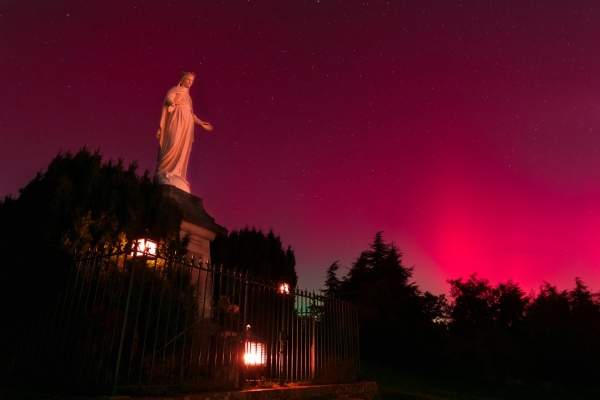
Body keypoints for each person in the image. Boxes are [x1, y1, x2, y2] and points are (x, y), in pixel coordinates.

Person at [155, 71, 213, 193]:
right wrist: (172, 104)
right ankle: (164, 171)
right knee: (173, 142)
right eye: (188, 80)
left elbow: (191, 114)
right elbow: (169, 99)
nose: (190, 83)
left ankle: (176, 173)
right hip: (176, 118)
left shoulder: (189, 98)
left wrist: (201, 123)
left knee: (183, 148)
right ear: (182, 79)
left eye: (191, 81)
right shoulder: (175, 89)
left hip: (187, 124)